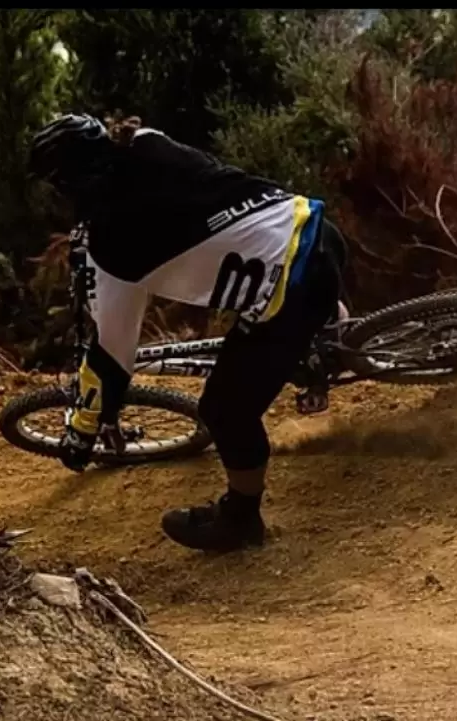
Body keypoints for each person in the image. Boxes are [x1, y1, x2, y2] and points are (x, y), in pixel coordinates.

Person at [28, 113, 347, 553]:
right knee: (267, 289)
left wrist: (82, 431)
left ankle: (240, 519)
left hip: (294, 288)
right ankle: (328, 324)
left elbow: (111, 357)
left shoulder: (113, 249)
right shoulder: (145, 139)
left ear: (67, 185)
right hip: (312, 226)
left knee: (223, 411)